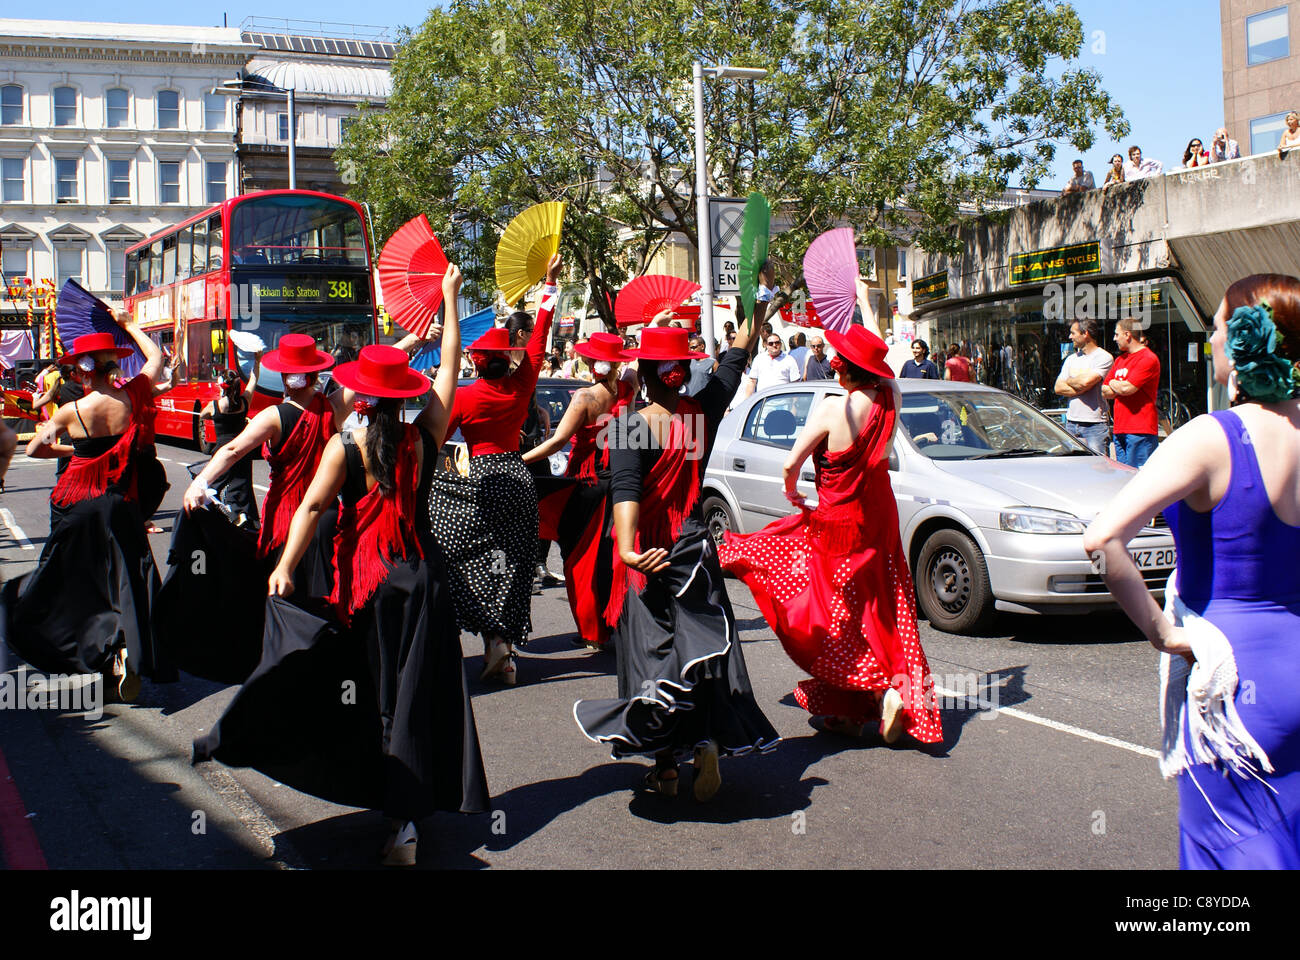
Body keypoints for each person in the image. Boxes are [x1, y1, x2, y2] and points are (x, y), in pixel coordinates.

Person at [198, 268, 490, 867]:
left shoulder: (345, 445)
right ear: (404, 396)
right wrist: (453, 301)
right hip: (425, 580)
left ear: (360, 397)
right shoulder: (425, 436)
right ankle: (409, 817)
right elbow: (451, 366)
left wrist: (284, 566)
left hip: (369, 583)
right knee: (419, 694)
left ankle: (388, 802)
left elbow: (310, 506)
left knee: (371, 694)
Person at [1082, 273, 1300, 869]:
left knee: (1225, 858)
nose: (1211, 342)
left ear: (1242, 339)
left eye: (1217, 329)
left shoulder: (1211, 437)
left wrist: (1164, 633)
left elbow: (1102, 539)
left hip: (1231, 682)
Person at [718, 278, 943, 746]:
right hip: (879, 514)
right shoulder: (891, 397)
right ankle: (876, 695)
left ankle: (867, 689)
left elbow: (789, 462)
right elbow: (890, 356)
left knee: (831, 608)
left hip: (837, 519)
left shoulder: (829, 410)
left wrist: (795, 497)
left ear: (840, 369)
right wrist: (863, 301)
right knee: (886, 602)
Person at [573, 316, 780, 800]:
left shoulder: (629, 426)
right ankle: (705, 738)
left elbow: (626, 492)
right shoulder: (700, 414)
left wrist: (626, 549)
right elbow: (732, 364)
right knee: (701, 654)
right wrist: (757, 297)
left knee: (654, 657)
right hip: (696, 551)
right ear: (683, 372)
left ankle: (665, 767)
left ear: (642, 372)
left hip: (649, 556)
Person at [3, 321, 172, 701]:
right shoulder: (133, 396)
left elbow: (34, 450)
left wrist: (77, 452)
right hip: (120, 504)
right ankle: (126, 647)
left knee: (78, 580)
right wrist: (127, 323)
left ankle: (96, 650)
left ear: (81, 370)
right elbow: (157, 357)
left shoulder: (69, 411)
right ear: (113, 366)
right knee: (127, 579)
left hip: (79, 504)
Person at [428, 254, 561, 686]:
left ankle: (492, 640)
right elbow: (539, 342)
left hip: (481, 480)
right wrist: (550, 286)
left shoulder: (466, 398)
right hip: (519, 481)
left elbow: (436, 441)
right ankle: (501, 643)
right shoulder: (522, 387)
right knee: (514, 563)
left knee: (475, 558)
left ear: (478, 363)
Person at [524, 331, 637, 650]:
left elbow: (557, 442)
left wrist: (519, 460)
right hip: (619, 478)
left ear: (588, 362)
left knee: (579, 559)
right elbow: (633, 369)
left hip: (586, 483)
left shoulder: (584, 399)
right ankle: (614, 623)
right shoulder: (628, 389)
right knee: (609, 557)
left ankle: (594, 631)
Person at [197, 353, 264, 530]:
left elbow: (203, 415)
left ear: (222, 386)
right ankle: (246, 517)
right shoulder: (244, 401)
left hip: (222, 450)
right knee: (243, 485)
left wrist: (220, 395)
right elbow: (253, 381)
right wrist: (256, 361)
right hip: (242, 450)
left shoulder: (216, 406)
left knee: (214, 486)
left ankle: (225, 515)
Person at [1103, 317, 1161, 468]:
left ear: (1127, 335)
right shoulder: (1120, 359)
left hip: (1140, 430)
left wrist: (1114, 383)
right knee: (1122, 477)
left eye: (1117, 334)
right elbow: (1104, 390)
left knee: (1138, 478)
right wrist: (1119, 386)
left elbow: (1127, 389)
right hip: (1120, 428)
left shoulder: (1148, 358)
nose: (1114, 338)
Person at [1053, 319, 1113, 456]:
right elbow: (1058, 388)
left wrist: (1069, 381)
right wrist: (1079, 385)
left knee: (1098, 469)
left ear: (1085, 334)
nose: (1070, 337)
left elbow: (1085, 383)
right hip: (1071, 424)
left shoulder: (1104, 357)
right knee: (1074, 469)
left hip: (1095, 425)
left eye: (1073, 333)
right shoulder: (1071, 359)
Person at [742, 329, 801, 399]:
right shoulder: (759, 359)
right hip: (763, 402)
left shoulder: (789, 359)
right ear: (766, 345)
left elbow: (795, 384)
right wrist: (747, 401)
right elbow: (752, 382)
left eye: (777, 343)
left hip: (784, 402)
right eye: (771, 343)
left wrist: (794, 406)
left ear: (781, 344)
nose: (774, 345)